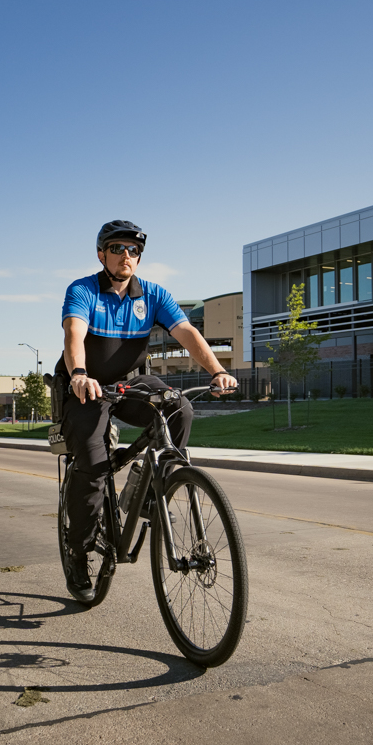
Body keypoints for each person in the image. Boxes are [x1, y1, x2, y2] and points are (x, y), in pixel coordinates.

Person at [56, 220, 238, 602]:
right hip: (86, 386)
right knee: (92, 467)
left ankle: (153, 489)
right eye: (118, 248)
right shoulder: (84, 290)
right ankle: (78, 550)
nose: (126, 255)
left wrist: (217, 370)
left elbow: (188, 333)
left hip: (131, 382)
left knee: (179, 408)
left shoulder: (153, 294)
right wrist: (79, 374)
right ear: (101, 254)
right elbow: (74, 334)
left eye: (133, 250)